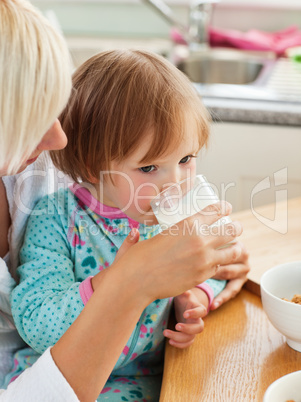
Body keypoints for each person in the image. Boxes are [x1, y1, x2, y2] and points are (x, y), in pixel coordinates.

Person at [9, 49, 249, 401]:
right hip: (59, 382)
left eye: (185, 159)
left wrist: (194, 296)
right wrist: (117, 279)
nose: (175, 183)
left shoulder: (181, 212)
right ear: (93, 167)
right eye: (149, 168)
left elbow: (220, 261)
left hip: (148, 375)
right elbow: (39, 325)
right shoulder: (56, 220)